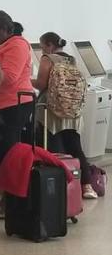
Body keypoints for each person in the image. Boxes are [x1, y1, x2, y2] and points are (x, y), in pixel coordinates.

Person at [33, 33, 98, 200]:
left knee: (53, 151)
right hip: (72, 110)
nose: (41, 50)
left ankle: (57, 189)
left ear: (48, 45)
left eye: (41, 46)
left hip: (51, 111)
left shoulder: (48, 59)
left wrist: (27, 80)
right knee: (76, 148)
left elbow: (41, 84)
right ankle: (86, 186)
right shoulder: (71, 60)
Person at [0, 10, 35, 166]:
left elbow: (9, 77)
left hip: (16, 103)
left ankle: (12, 187)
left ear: (4, 28)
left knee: (8, 149)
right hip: (1, 102)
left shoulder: (18, 45)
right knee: (0, 147)